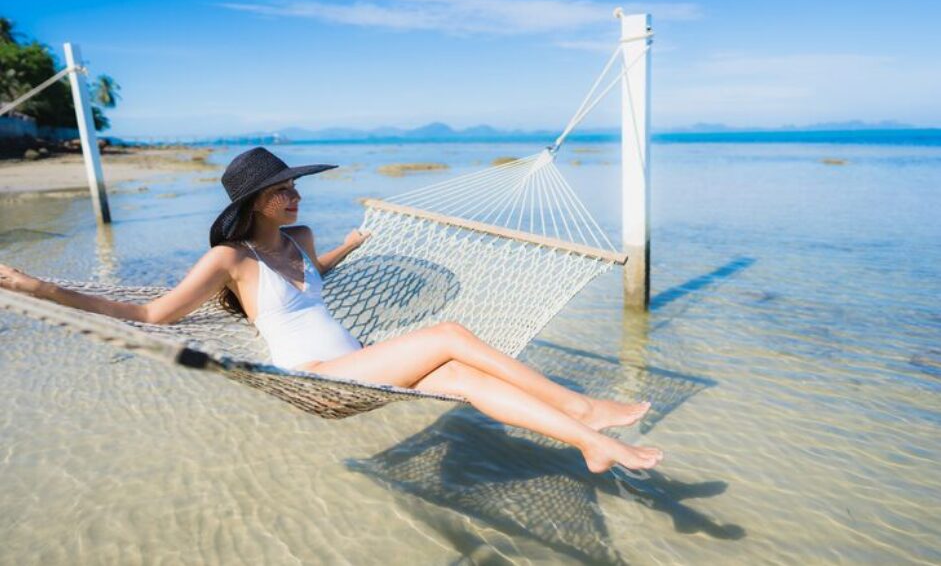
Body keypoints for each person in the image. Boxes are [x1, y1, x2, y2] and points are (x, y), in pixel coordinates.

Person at [0, 147, 663, 473]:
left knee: (463, 378)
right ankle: (582, 409)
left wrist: (344, 246)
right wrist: (41, 290)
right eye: (282, 190)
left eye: (292, 186)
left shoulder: (302, 240)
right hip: (320, 379)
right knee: (450, 333)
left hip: (357, 365)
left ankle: (588, 444)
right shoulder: (227, 259)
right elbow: (150, 316)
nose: (293, 196)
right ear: (254, 202)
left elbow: (309, 280)